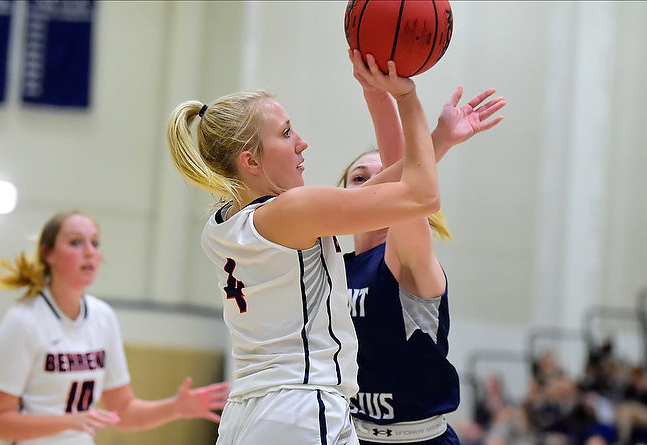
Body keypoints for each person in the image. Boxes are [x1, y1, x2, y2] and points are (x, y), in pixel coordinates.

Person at [165, 50, 443, 445]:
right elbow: (423, 196)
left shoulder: (221, 226)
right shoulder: (294, 210)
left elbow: (383, 190)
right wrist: (406, 96)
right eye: (285, 133)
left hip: (244, 416)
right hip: (300, 407)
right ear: (251, 162)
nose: (302, 143)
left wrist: (438, 140)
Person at [340, 51, 506, 444]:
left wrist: (384, 95)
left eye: (381, 176)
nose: (373, 184)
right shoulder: (333, 265)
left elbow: (405, 187)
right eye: (359, 178)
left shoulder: (407, 259)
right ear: (343, 195)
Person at [0, 210, 230, 444]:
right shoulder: (23, 320)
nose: (89, 252)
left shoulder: (103, 317)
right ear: (49, 253)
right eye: (76, 242)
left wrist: (175, 408)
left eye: (95, 243)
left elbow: (123, 411)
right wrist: (68, 421)